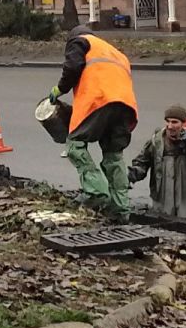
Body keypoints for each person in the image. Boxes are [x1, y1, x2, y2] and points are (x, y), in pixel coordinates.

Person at [48, 25, 138, 222]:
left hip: (98, 100)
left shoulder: (81, 41)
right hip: (125, 106)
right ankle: (121, 209)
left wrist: (60, 89)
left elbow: (72, 66)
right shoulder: (117, 53)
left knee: (74, 145)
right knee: (114, 156)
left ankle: (97, 192)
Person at [128, 105, 186, 219]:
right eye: (167, 122)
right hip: (162, 195)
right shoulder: (156, 142)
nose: (170, 126)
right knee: (162, 223)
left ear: (183, 124)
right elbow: (141, 163)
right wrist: (130, 175)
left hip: (185, 196)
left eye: (174, 122)